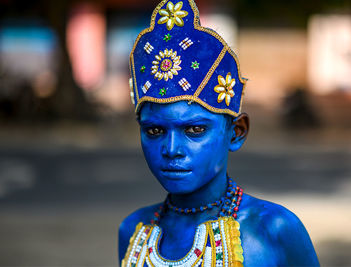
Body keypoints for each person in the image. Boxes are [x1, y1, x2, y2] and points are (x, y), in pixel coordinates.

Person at [119, 0, 319, 266]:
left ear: (236, 132)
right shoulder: (133, 231)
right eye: (154, 131)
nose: (171, 149)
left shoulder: (274, 231)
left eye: (195, 130)